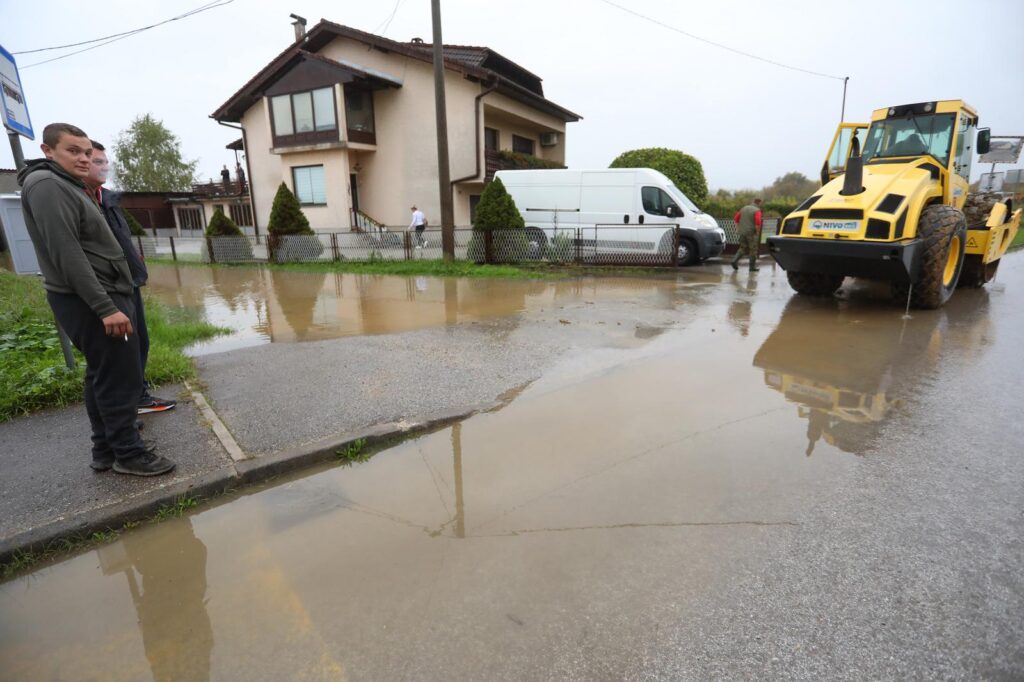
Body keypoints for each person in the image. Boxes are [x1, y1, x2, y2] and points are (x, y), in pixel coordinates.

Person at [19, 122, 175, 476]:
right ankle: (128, 454)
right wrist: (106, 308)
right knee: (121, 377)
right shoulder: (47, 185)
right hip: (94, 301)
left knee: (103, 374)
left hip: (101, 295)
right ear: (49, 151)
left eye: (87, 152)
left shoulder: (68, 185)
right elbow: (67, 253)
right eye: (73, 151)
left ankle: (106, 450)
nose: (84, 158)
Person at [86, 141, 176, 415]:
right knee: (116, 354)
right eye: (95, 161)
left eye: (104, 161)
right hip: (107, 287)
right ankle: (120, 414)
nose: (102, 167)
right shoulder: (78, 198)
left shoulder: (106, 198)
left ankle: (136, 398)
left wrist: (135, 264)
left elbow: (120, 239)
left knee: (138, 342)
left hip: (128, 281)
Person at [731, 198, 763, 272]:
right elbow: (758, 222)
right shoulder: (757, 210)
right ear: (759, 203)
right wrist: (757, 232)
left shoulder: (744, 208)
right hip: (751, 233)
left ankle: (734, 261)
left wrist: (738, 229)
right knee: (753, 250)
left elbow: (736, 219)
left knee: (742, 247)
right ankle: (752, 267)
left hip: (742, 232)